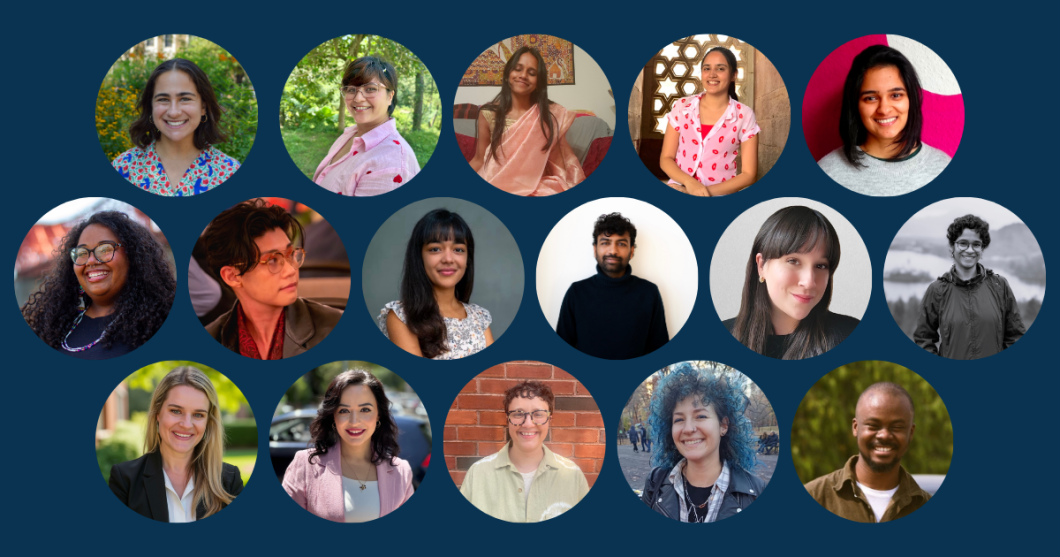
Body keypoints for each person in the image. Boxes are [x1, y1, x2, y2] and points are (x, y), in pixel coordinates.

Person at [21, 211, 175, 360]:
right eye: (81, 253)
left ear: (133, 257)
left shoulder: (160, 323)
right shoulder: (51, 328)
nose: (90, 261)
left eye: (105, 249)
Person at [200, 199, 343, 359]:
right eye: (272, 260)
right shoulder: (211, 338)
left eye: (290, 255)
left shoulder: (336, 327)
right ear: (232, 276)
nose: (291, 270)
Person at [723, 206, 860, 359]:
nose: (809, 282)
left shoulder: (852, 336)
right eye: (793, 261)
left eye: (821, 266)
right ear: (761, 265)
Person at [108, 366, 243, 522]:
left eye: (198, 415)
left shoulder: (229, 480)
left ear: (208, 422)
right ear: (158, 414)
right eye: (176, 411)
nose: (186, 424)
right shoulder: (125, 480)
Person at [817, 45, 951, 196]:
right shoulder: (828, 171)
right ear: (855, 105)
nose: (884, 109)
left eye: (895, 95)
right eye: (871, 98)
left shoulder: (943, 167)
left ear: (911, 100)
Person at [282, 370, 414, 522]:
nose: (354, 421)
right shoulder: (305, 464)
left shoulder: (401, 471)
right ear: (333, 416)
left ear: (378, 415)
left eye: (365, 410)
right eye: (344, 410)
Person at [641, 363, 766, 522]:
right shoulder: (655, 482)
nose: (688, 428)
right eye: (679, 419)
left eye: (700, 416)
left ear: (723, 426)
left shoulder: (756, 492)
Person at [461, 381, 589, 522]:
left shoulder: (573, 475)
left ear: (549, 420)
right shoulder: (478, 474)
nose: (528, 424)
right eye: (518, 414)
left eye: (538, 414)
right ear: (507, 420)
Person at [804, 382, 931, 523]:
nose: (884, 435)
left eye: (897, 427)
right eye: (873, 425)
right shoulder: (815, 497)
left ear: (910, 433)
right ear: (855, 427)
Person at [111, 58, 240, 196]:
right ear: (151, 107)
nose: (173, 112)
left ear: (203, 107)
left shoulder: (230, 172)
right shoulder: (122, 168)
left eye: (185, 99)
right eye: (163, 99)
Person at [378, 209, 493, 359]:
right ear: (419, 257)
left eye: (458, 249)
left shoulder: (479, 317)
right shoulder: (401, 316)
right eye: (435, 249)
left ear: (467, 260)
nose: (448, 259)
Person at [469, 46, 585, 196]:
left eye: (532, 73)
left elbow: (557, 163)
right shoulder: (489, 113)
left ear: (538, 83)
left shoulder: (549, 116)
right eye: (517, 69)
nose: (523, 75)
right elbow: (479, 159)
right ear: (507, 75)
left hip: (534, 187)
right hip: (494, 182)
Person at [556, 213, 669, 359]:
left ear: (632, 251)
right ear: (595, 249)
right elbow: (562, 351)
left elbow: (659, 350)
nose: (613, 251)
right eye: (605, 243)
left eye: (621, 244)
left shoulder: (649, 292)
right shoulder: (576, 292)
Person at [913, 214, 1025, 359]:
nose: (970, 250)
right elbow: (923, 340)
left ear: (982, 249)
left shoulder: (999, 286)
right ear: (952, 246)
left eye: (976, 244)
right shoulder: (937, 290)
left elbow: (1016, 336)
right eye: (963, 243)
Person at [312, 56, 420, 196]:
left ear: (390, 96)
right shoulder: (350, 135)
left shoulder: (392, 163)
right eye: (351, 90)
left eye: (370, 89)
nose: (358, 98)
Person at [660, 47, 760, 197]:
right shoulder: (682, 107)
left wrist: (703, 193)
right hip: (678, 189)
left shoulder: (744, 115)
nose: (712, 74)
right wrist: (689, 183)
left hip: (719, 195)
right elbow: (666, 158)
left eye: (720, 68)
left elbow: (749, 174)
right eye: (707, 68)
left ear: (734, 75)